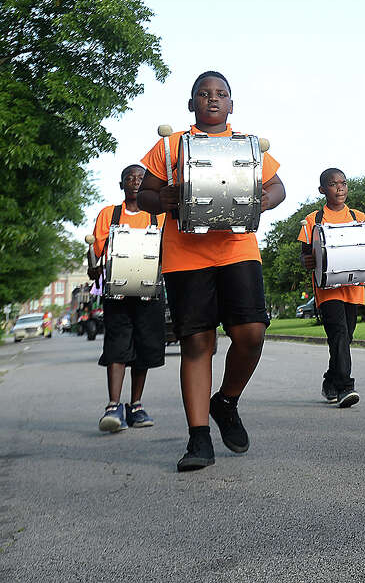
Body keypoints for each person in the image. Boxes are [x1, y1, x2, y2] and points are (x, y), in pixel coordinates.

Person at [138, 70, 287, 472]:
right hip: (186, 255)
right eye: (204, 94)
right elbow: (145, 194)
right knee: (197, 344)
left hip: (238, 248)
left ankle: (226, 401)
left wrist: (262, 201)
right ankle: (198, 437)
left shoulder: (248, 145)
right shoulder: (170, 147)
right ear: (192, 104)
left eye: (221, 93)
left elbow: (278, 188)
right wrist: (162, 197)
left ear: (231, 104)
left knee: (251, 333)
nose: (213, 99)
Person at [89, 164, 167, 433]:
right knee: (117, 345)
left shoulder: (159, 216)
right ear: (121, 184)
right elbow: (96, 252)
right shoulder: (108, 215)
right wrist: (93, 266)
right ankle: (113, 406)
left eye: (140, 178)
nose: (134, 182)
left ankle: (136, 405)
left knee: (144, 347)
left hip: (149, 291)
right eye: (129, 178)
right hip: (117, 291)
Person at [297, 168, 365, 409]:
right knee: (339, 334)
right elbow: (305, 255)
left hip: (354, 288)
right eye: (333, 184)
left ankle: (330, 380)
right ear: (322, 190)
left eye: (343, 183)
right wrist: (306, 261)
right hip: (327, 290)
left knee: (346, 337)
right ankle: (346, 387)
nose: (340, 188)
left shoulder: (358, 217)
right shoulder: (313, 220)